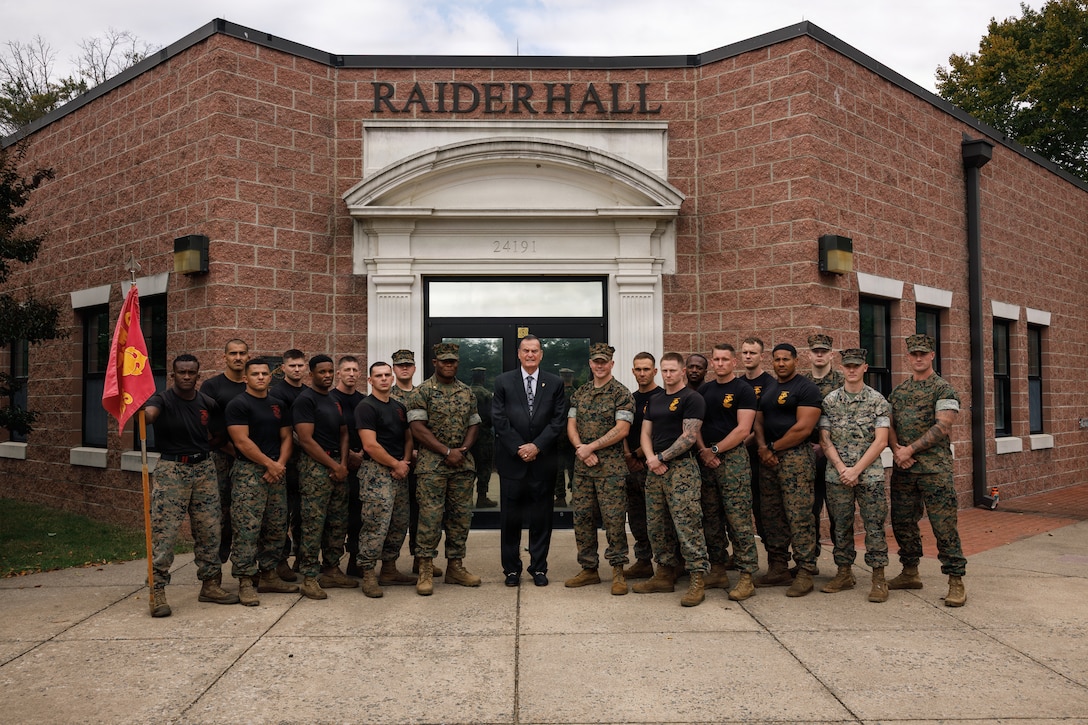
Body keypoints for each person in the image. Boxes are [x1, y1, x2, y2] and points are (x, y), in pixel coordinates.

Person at [143, 354, 239, 617]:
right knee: (165, 532)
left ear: (198, 375)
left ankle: (210, 585)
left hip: (204, 469)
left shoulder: (207, 403)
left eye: (191, 372)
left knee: (210, 530)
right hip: (172, 470)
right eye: (181, 372)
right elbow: (148, 417)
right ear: (173, 375)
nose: (186, 376)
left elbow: (220, 434)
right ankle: (157, 590)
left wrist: (207, 449)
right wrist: (139, 410)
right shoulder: (161, 400)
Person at [887, 333, 966, 607]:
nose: (918, 358)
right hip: (904, 470)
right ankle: (910, 571)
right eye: (913, 354)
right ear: (908, 357)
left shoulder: (943, 390)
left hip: (934, 471)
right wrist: (897, 449)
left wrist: (910, 450)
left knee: (944, 526)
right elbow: (888, 425)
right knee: (902, 522)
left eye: (923, 353)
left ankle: (955, 580)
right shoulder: (898, 392)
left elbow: (943, 426)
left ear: (932, 355)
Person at [633, 352, 709, 607]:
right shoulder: (654, 400)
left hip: (681, 470)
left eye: (672, 370)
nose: (668, 375)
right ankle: (664, 573)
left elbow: (689, 437)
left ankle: (697, 577)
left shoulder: (692, 398)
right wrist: (650, 458)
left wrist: (661, 457)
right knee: (657, 525)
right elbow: (645, 432)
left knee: (687, 524)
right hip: (655, 470)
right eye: (664, 371)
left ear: (683, 371)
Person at [406, 342, 482, 595]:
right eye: (444, 361)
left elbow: (474, 423)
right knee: (430, 518)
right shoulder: (421, 391)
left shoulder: (466, 392)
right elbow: (417, 428)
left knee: (460, 518)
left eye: (453, 361)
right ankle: (426, 568)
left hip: (462, 465)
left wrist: (462, 451)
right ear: (435, 362)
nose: (449, 365)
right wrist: (445, 451)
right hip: (432, 466)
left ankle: (455, 566)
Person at [493, 335, 568, 587]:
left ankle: (538, 568)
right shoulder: (503, 382)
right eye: (526, 350)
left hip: (542, 462)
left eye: (535, 351)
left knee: (541, 519)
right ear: (518, 353)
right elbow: (499, 420)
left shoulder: (555, 383)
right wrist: (519, 448)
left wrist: (537, 446)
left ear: (541, 354)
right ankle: (511, 570)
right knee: (510, 520)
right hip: (512, 463)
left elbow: (558, 420)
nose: (530, 355)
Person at [818, 348, 891, 602]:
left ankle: (879, 578)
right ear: (842, 367)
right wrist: (841, 469)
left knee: (874, 526)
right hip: (837, 475)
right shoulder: (830, 401)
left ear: (865, 368)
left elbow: (881, 441)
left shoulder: (878, 401)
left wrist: (856, 470)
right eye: (847, 365)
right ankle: (844, 572)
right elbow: (825, 439)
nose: (851, 370)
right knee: (841, 525)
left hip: (869, 476)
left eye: (856, 366)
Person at [225, 358, 297, 606]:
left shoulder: (278, 404)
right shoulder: (238, 405)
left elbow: (287, 436)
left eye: (264, 374)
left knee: (277, 526)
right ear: (245, 378)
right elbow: (242, 441)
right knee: (247, 528)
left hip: (276, 472)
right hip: (250, 473)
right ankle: (246, 580)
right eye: (255, 374)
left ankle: (268, 574)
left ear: (270, 376)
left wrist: (279, 465)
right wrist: (269, 464)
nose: (260, 377)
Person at [564, 343, 634, 595]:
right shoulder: (580, 393)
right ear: (590, 364)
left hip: (610, 471)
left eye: (604, 361)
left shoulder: (621, 393)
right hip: (583, 470)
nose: (600, 365)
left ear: (612, 364)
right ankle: (589, 569)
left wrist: (590, 447)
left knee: (614, 521)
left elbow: (622, 429)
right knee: (582, 519)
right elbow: (571, 424)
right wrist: (581, 448)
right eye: (596, 361)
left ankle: (618, 571)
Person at [753, 343, 822, 597]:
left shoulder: (806, 388)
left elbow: (803, 429)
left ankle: (805, 570)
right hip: (768, 460)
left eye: (786, 359)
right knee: (772, 515)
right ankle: (778, 567)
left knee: (799, 515)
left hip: (795, 459)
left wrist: (772, 447)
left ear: (795, 360)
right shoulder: (770, 388)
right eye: (777, 359)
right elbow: (758, 420)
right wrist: (762, 447)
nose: (781, 363)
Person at [696, 343, 760, 601]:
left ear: (734, 362)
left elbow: (743, 430)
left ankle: (746, 576)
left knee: (738, 519)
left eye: (725, 359)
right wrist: (704, 451)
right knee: (710, 519)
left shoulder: (743, 390)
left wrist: (715, 450)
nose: (720, 363)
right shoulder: (705, 390)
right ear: (712, 363)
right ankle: (719, 569)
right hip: (706, 461)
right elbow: (695, 425)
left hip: (732, 462)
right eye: (716, 359)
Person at [292, 354, 354, 600]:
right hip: (316, 468)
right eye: (322, 372)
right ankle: (309, 576)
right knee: (313, 524)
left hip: (337, 465)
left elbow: (344, 432)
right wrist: (333, 465)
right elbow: (305, 440)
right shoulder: (305, 400)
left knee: (337, 522)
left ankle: (331, 568)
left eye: (330, 371)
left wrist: (342, 463)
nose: (327, 376)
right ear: (312, 374)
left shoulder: (334, 399)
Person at [355, 361, 414, 598]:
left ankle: (389, 568)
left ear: (392, 378)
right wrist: (395, 464)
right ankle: (369, 573)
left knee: (399, 523)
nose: (383, 379)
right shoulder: (366, 407)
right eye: (378, 376)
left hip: (400, 471)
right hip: (376, 473)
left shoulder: (398, 406)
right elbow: (369, 444)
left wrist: (405, 462)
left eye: (387, 375)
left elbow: (408, 438)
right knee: (375, 524)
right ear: (370, 381)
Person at [199, 338, 249, 570]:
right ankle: (214, 566)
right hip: (221, 456)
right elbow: (206, 425)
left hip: (250, 459)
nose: (238, 358)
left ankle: (247, 564)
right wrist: (230, 449)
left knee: (247, 512)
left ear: (248, 356)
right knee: (220, 510)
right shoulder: (212, 387)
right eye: (233, 354)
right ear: (224, 357)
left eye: (242, 353)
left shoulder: (253, 385)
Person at [390, 349, 439, 577]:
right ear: (394, 368)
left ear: (415, 368)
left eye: (408, 364)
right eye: (400, 365)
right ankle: (390, 563)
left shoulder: (425, 393)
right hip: (396, 463)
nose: (405, 368)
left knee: (423, 515)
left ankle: (421, 560)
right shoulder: (387, 395)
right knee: (396, 516)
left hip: (424, 464)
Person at [803, 333, 844, 566]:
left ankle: (842, 565)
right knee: (809, 510)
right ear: (809, 354)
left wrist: (827, 445)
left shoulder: (841, 382)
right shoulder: (802, 382)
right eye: (815, 351)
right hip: (808, 455)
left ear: (831, 354)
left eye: (824, 351)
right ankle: (810, 560)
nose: (819, 355)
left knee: (838, 511)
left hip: (835, 456)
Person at [622, 352, 662, 580]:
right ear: (633, 371)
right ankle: (643, 561)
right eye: (638, 369)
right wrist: (629, 456)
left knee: (659, 517)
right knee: (636, 517)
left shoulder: (663, 397)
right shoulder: (629, 399)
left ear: (655, 371)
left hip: (654, 466)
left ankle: (669, 563)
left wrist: (637, 455)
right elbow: (623, 427)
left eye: (647, 369)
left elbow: (661, 432)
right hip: (631, 468)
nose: (642, 373)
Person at [271, 349, 307, 582]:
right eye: (292, 365)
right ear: (283, 368)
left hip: (307, 464)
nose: (296, 369)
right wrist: (305, 442)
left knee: (303, 513)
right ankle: (281, 560)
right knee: (281, 514)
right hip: (284, 461)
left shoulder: (309, 392)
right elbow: (284, 430)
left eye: (300, 365)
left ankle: (302, 558)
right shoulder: (276, 393)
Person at [330, 355, 367, 576]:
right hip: (336, 465)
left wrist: (361, 453)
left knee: (358, 516)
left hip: (362, 465)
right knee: (335, 518)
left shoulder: (364, 400)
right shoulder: (329, 399)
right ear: (339, 373)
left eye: (355, 370)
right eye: (347, 370)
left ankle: (355, 560)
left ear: (360, 374)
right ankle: (329, 564)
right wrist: (348, 455)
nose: (351, 374)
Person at [738, 337, 774, 542]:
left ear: (762, 356)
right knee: (740, 506)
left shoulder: (770, 384)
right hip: (738, 456)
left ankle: (773, 558)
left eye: (752, 353)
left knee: (764, 507)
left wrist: (744, 440)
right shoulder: (738, 384)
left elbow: (765, 421)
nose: (748, 356)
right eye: (745, 352)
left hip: (761, 453)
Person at [469, 367, 497, 508]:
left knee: (470, 467)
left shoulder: (465, 392)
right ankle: (482, 497)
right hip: (484, 436)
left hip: (468, 438)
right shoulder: (486, 394)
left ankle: (466, 498)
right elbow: (491, 417)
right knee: (484, 467)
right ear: (483, 378)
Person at [554, 367, 577, 506]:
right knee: (573, 468)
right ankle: (575, 496)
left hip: (557, 436)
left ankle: (560, 497)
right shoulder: (576, 394)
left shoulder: (555, 395)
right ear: (571, 378)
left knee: (558, 469)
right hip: (573, 437)